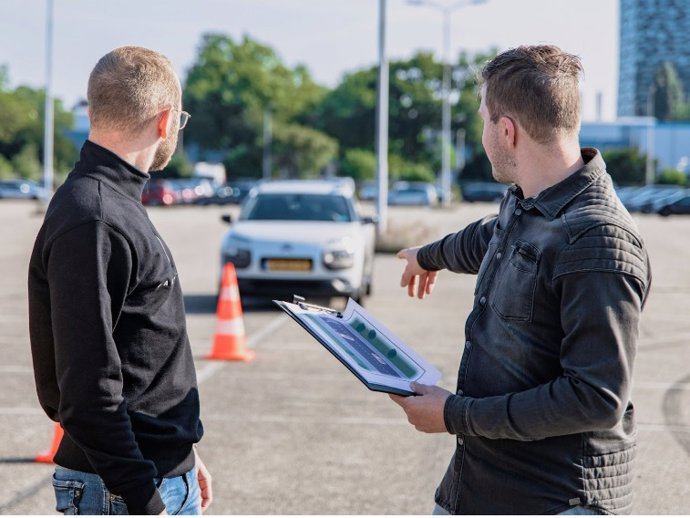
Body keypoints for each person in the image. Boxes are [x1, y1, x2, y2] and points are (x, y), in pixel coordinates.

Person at [391, 45, 651, 515]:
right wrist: (429, 256)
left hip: (552, 500)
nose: (483, 132)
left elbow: (595, 398)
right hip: (482, 488)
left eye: (484, 119)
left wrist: (454, 415)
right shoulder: (530, 201)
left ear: (506, 130)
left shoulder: (597, 240)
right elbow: (490, 236)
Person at [28, 46, 212, 515]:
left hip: (155, 474)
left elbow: (140, 355)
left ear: (93, 111)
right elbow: (88, 391)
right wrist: (146, 500)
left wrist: (183, 456)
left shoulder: (112, 204)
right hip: (120, 492)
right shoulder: (94, 217)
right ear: (167, 120)